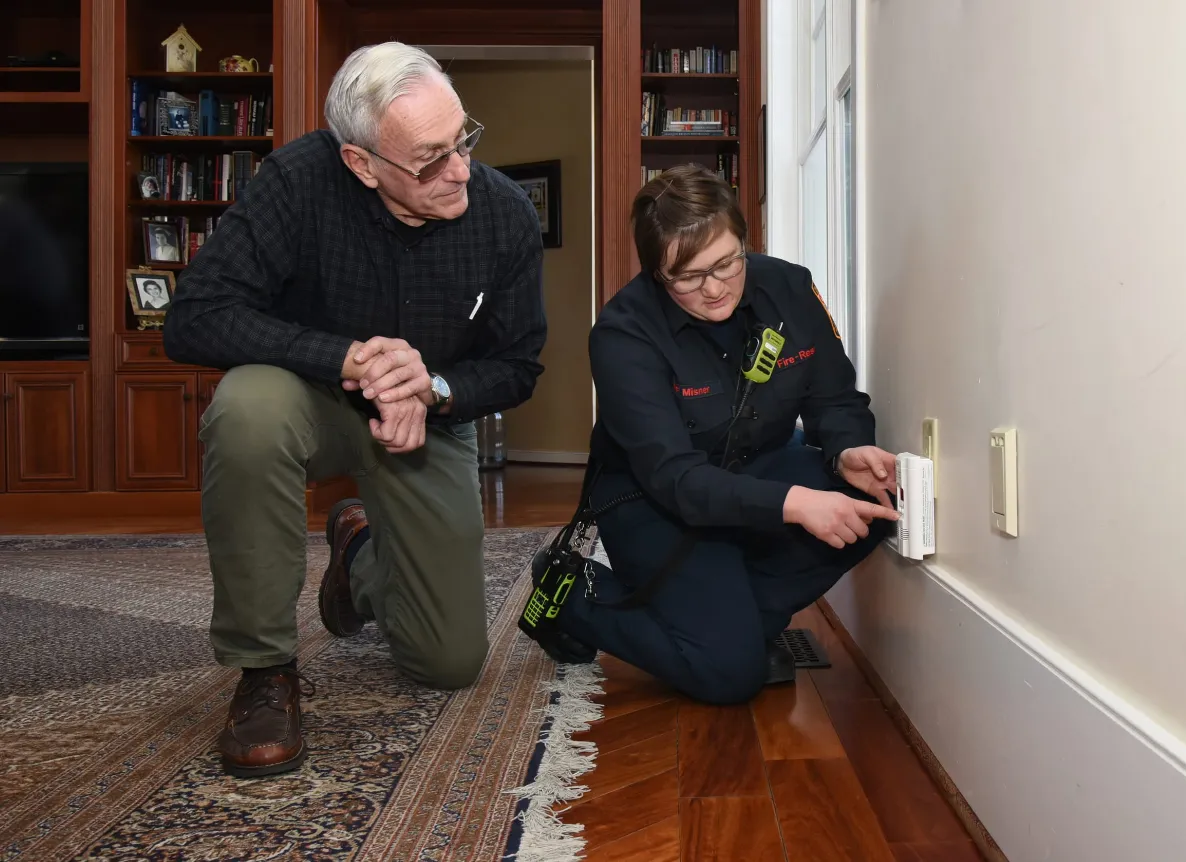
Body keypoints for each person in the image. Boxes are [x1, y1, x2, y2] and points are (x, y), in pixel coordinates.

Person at [163, 42, 547, 778]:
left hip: (428, 418)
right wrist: (348, 360)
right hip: (312, 403)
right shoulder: (296, 182)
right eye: (430, 159)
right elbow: (195, 316)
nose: (460, 169)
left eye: (463, 138)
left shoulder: (502, 215)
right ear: (361, 163)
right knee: (247, 406)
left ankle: (360, 556)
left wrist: (431, 388)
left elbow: (518, 364)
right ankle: (264, 671)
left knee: (449, 662)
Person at [532, 164, 898, 705]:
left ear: (744, 241)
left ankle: (728, 617)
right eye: (686, 276)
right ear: (657, 272)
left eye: (727, 263)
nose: (713, 288)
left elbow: (834, 399)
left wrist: (846, 449)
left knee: (878, 501)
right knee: (730, 675)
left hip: (758, 468)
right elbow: (675, 478)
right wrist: (794, 504)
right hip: (652, 502)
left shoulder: (789, 287)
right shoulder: (622, 336)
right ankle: (572, 599)